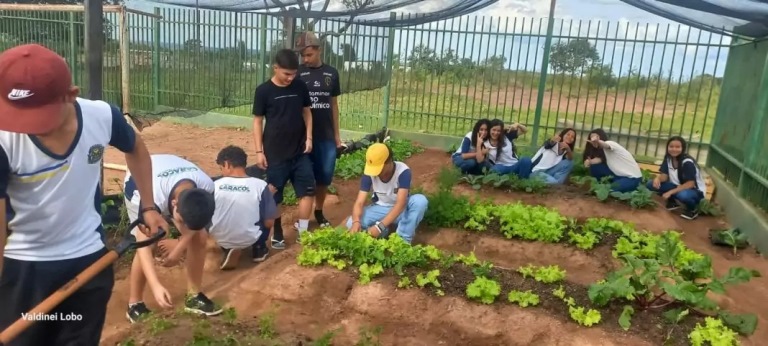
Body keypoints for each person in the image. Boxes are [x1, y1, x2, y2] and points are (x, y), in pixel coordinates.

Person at [0, 44, 167, 345]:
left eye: (37, 117)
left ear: (70, 95)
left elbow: (137, 150)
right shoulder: (3, 139)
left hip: (88, 263)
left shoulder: (101, 116)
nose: (26, 127)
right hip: (24, 270)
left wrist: (149, 206)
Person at [123, 154, 220, 323]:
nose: (183, 225)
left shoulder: (206, 187)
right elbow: (142, 245)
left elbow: (196, 227)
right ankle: (134, 304)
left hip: (169, 171)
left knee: (201, 236)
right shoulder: (150, 198)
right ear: (174, 204)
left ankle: (194, 295)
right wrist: (156, 286)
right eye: (181, 220)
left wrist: (178, 248)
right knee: (149, 240)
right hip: (140, 181)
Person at [251, 48, 316, 250]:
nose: (291, 78)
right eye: (286, 74)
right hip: (275, 154)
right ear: (275, 68)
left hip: (299, 151)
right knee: (275, 195)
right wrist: (259, 151)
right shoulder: (263, 91)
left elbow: (307, 112)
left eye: (294, 74)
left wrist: (309, 137)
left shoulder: (300, 86)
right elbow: (257, 121)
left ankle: (303, 232)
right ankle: (277, 232)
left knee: (307, 190)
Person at [295, 31, 342, 229]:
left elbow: (334, 105)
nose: (305, 59)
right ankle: (302, 218)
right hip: (303, 137)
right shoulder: (297, 73)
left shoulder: (331, 73)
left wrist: (337, 137)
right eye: (302, 56)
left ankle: (319, 212)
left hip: (326, 136)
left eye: (309, 55)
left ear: (319, 50)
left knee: (323, 177)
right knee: (305, 177)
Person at [210, 145, 279, 270]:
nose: (222, 172)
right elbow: (269, 223)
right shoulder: (260, 185)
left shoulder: (214, 185)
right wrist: (270, 196)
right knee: (265, 213)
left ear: (227, 164)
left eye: (221, 168)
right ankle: (259, 249)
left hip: (220, 237)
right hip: (249, 238)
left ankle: (227, 248)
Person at [344, 143, 428, 244]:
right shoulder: (369, 173)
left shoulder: (403, 171)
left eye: (379, 168)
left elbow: (400, 204)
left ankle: (402, 240)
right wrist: (356, 222)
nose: (376, 172)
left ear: (389, 162)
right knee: (350, 223)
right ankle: (384, 232)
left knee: (420, 201)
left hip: (401, 211)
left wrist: (380, 227)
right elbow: (359, 202)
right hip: (380, 208)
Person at [647, 136, 706, 220]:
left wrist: (670, 192)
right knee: (651, 184)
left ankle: (692, 209)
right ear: (667, 147)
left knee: (683, 195)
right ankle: (673, 202)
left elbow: (690, 184)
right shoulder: (668, 158)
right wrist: (657, 179)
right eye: (671, 146)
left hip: (694, 190)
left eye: (677, 147)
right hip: (677, 186)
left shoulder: (687, 162)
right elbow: (664, 176)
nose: (674, 149)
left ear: (683, 148)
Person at [582, 128, 642, 193]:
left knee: (611, 189)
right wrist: (590, 162)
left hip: (632, 178)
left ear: (601, 136)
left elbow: (605, 145)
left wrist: (598, 141)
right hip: (618, 175)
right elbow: (600, 159)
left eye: (596, 137)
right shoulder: (604, 152)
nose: (593, 139)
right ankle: (608, 185)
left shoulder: (610, 143)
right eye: (591, 137)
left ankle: (628, 187)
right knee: (595, 167)